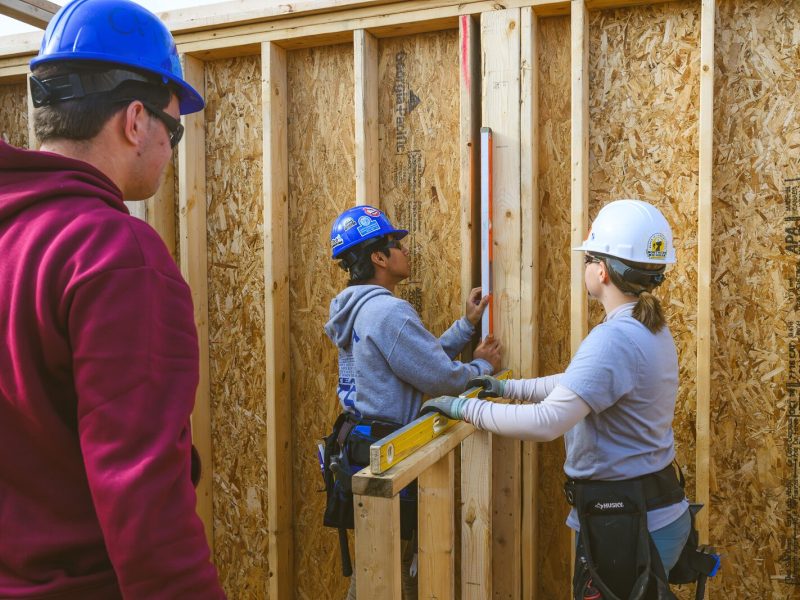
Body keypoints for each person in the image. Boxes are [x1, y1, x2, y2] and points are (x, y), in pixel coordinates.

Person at [0, 0, 224, 598]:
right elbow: (144, 498)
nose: (171, 149)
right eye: (172, 129)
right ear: (134, 120)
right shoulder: (117, 255)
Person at [422, 199, 693, 599]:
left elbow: (547, 422)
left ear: (601, 271)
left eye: (588, 260)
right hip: (650, 511)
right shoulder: (646, 328)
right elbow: (579, 383)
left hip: (629, 524)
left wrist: (464, 407)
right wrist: (507, 388)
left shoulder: (614, 339)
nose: (584, 267)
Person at [323, 204, 502, 600]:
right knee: (397, 578)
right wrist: (480, 366)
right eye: (396, 245)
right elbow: (441, 377)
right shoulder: (389, 312)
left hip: (361, 448)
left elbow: (410, 361)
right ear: (379, 257)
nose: (406, 251)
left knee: (374, 571)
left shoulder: (358, 309)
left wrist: (465, 327)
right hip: (392, 456)